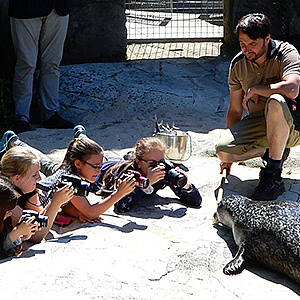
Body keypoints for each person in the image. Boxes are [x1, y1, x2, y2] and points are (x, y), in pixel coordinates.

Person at [215, 13, 300, 201]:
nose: (247, 50)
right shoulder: (238, 64)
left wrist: (258, 89)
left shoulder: (286, 52)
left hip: (293, 124)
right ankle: (275, 149)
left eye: (253, 44)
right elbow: (235, 110)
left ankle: (273, 174)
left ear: (267, 39)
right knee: (222, 150)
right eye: (242, 44)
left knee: (277, 100)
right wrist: (229, 156)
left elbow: (293, 89)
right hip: (261, 122)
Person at [0, 126, 137, 224]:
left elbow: (66, 205)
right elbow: (90, 211)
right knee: (44, 165)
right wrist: (119, 193)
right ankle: (14, 143)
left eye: (100, 166)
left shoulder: (70, 172)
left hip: (43, 192)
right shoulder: (71, 180)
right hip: (37, 197)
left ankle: (14, 142)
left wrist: (78, 213)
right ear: (78, 164)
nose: (99, 171)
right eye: (95, 166)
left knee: (48, 166)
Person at [8, 0, 74, 133]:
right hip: (25, 10)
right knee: (26, 64)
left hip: (58, 9)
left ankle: (50, 114)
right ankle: (21, 117)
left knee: (52, 64)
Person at [91, 136, 202, 213]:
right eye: (152, 163)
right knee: (93, 151)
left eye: (161, 162)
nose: (157, 167)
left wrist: (185, 185)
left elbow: (196, 202)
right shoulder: (129, 174)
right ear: (138, 162)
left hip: (120, 160)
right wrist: (147, 183)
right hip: (105, 168)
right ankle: (81, 134)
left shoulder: (162, 172)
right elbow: (120, 206)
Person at [0, 146, 74, 243]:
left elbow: (41, 220)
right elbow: (37, 236)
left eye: (38, 172)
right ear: (17, 178)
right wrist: (56, 203)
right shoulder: (8, 200)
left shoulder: (26, 187)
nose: (39, 178)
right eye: (34, 175)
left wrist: (54, 199)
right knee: (58, 169)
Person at [0, 177, 39, 259]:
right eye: (7, 212)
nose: (10, 214)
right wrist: (16, 233)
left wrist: (19, 237)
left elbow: (5, 245)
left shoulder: (4, 221)